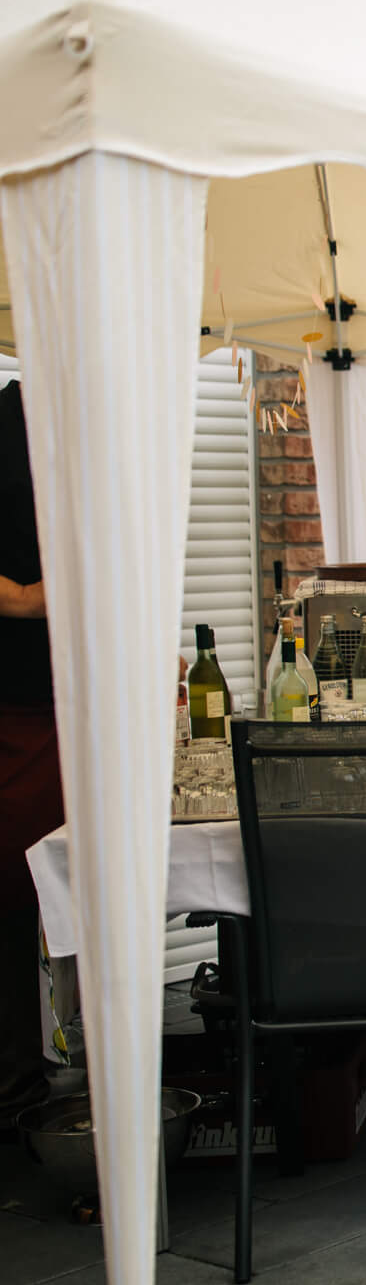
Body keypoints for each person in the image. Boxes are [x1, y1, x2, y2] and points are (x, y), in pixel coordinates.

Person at [0, 379, 62, 1131]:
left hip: (79, 699)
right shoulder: (9, 429)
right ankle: (18, 1084)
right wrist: (31, 597)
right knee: (14, 892)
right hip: (18, 702)